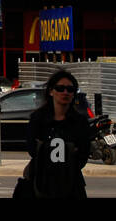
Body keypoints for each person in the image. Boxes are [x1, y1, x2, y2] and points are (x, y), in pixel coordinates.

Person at [25, 68, 91, 198]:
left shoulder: (80, 121)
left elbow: (83, 154)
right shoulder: (38, 119)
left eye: (70, 89)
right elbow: (32, 150)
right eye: (60, 88)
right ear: (51, 91)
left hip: (71, 183)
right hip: (40, 181)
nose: (65, 92)